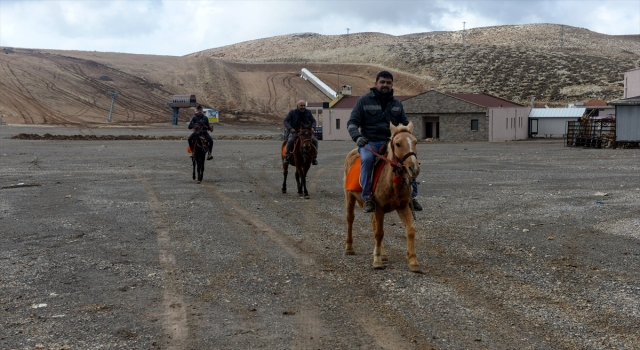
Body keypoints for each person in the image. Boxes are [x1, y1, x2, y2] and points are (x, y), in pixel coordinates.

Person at [347, 71, 422, 213]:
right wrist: (357, 137)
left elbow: (405, 124)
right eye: (382, 82)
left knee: (410, 160)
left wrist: (407, 139)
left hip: (391, 142)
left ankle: (412, 196)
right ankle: (367, 196)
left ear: (392, 85)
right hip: (369, 142)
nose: (385, 85)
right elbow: (352, 122)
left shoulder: (397, 104)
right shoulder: (364, 101)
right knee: (368, 160)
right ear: (376, 84)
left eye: (388, 82)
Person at [283, 100, 319, 165]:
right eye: (301, 105)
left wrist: (313, 127)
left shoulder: (308, 112)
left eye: (304, 105)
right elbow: (285, 121)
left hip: (306, 133)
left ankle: (314, 157)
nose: (303, 107)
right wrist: (290, 128)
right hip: (295, 131)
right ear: (297, 106)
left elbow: (313, 121)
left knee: (315, 141)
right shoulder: (292, 112)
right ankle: (287, 156)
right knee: (291, 140)